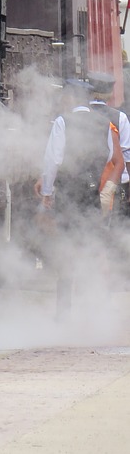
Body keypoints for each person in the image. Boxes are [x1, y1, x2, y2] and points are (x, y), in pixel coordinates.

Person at [34, 78, 124, 312]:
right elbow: (111, 157)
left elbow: (54, 159)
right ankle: (92, 311)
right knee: (91, 248)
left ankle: (64, 312)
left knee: (67, 252)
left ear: (69, 98)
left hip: (68, 195)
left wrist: (47, 192)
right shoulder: (104, 124)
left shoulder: (63, 121)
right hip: (92, 194)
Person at [87, 71, 130, 215]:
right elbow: (127, 155)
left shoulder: (80, 115)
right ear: (110, 93)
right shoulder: (120, 117)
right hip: (114, 184)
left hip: (84, 181)